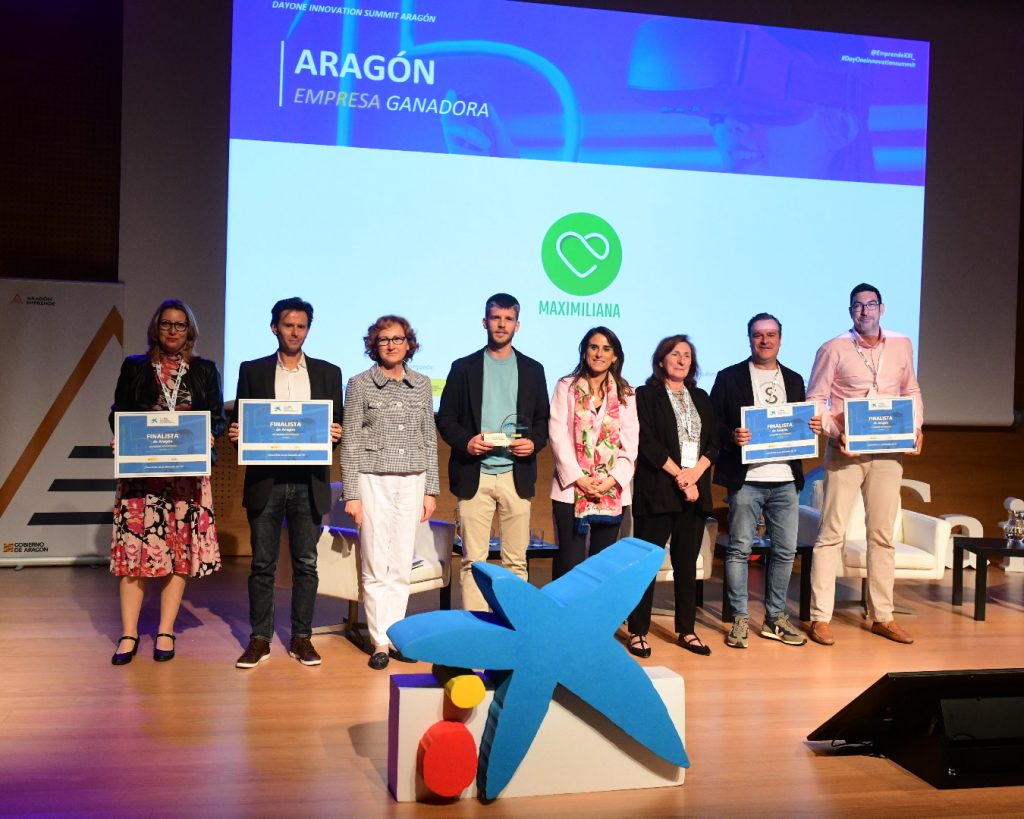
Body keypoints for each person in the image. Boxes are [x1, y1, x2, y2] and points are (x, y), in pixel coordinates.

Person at [805, 284, 923, 646]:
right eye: (858, 306)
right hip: (846, 452)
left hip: (889, 452)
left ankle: (882, 616)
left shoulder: (901, 343)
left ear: (881, 309)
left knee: (882, 535)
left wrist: (917, 428)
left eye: (871, 305)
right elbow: (815, 399)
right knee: (831, 534)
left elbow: (911, 390)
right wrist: (836, 431)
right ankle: (820, 617)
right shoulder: (833, 348)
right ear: (850, 311)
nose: (865, 311)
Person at [109, 299, 225, 665]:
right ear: (155, 329)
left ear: (189, 331)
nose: (173, 331)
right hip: (141, 478)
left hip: (185, 479)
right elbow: (118, 413)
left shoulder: (204, 370)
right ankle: (129, 633)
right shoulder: (135, 366)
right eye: (166, 324)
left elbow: (217, 418)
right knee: (134, 554)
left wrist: (211, 434)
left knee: (177, 552)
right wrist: (120, 435)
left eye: (179, 325)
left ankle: (165, 630)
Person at [229, 297, 343, 668]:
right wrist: (238, 435)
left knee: (306, 564)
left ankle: (301, 638)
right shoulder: (252, 370)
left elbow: (335, 424)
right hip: (267, 480)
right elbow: (244, 421)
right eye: (288, 325)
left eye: (301, 326)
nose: (295, 332)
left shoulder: (329, 372)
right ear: (274, 327)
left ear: (308, 329)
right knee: (262, 564)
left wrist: (335, 433)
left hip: (309, 482)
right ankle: (260, 638)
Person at [710, 313, 822, 649]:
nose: (765, 340)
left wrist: (811, 428)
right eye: (758, 335)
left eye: (771, 334)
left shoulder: (794, 379)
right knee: (739, 550)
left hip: (785, 478)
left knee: (785, 551)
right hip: (747, 479)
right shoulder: (729, 377)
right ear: (749, 339)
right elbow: (712, 424)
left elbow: (798, 423)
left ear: (780, 339)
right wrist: (732, 435)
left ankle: (775, 618)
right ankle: (740, 618)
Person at [436, 293, 549, 611]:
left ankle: (514, 626)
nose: (501, 324)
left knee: (516, 561)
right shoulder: (463, 368)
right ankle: (477, 628)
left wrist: (534, 442)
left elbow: (543, 420)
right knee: (474, 560)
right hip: (476, 474)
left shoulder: (533, 369)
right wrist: (467, 442)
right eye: (496, 318)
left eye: (508, 319)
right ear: (484, 322)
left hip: (516, 474)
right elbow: (446, 418)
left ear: (517, 325)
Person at [342, 315, 440, 670]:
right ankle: (378, 639)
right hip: (373, 478)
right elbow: (350, 441)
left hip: (413, 478)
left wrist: (431, 490)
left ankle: (396, 634)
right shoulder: (359, 384)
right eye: (384, 339)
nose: (391, 345)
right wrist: (351, 494)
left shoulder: (422, 384)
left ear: (408, 344)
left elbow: (429, 438)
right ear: (374, 344)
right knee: (374, 562)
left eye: (398, 339)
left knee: (400, 563)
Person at [629, 335, 718, 658]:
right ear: (661, 360)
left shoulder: (701, 396)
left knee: (686, 564)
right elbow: (647, 442)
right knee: (646, 564)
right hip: (658, 491)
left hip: (694, 492)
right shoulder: (645, 395)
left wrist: (694, 475)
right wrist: (681, 475)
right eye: (675, 354)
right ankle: (638, 631)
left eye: (687, 355)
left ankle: (687, 630)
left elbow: (714, 442)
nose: (681, 360)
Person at [548, 327, 638, 580]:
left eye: (606, 349)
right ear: (584, 351)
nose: (599, 354)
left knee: (602, 567)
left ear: (615, 356)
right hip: (571, 489)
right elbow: (557, 435)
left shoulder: (626, 394)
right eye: (594, 347)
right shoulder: (566, 386)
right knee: (570, 563)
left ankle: (596, 609)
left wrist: (610, 481)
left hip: (611, 490)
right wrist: (580, 479)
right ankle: (565, 607)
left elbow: (630, 444)